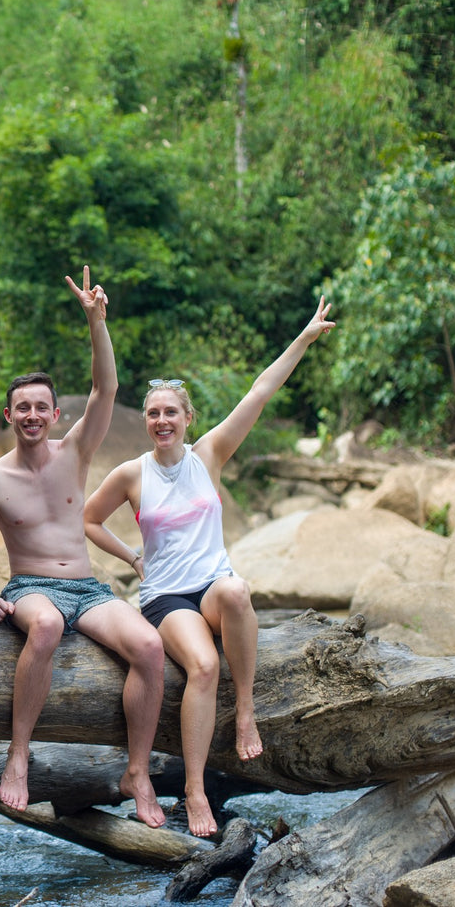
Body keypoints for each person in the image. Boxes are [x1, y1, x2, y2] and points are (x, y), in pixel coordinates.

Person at [83, 297, 336, 836]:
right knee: (202, 666)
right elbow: (89, 520)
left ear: (188, 418)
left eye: (170, 412)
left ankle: (245, 709)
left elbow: (260, 391)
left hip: (212, 584)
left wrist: (306, 337)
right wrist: (131, 556)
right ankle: (195, 791)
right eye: (153, 413)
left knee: (239, 590)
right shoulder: (132, 474)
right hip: (166, 598)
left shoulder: (210, 454)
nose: (160, 420)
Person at [0, 268, 166, 823]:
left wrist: (96, 320)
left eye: (42, 407)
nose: (32, 415)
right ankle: (18, 755)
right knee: (46, 626)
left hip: (88, 587)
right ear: (8, 415)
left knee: (151, 649)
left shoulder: (75, 452)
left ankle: (138, 770)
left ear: (55, 415)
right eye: (22, 408)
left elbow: (105, 388)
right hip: (33, 588)